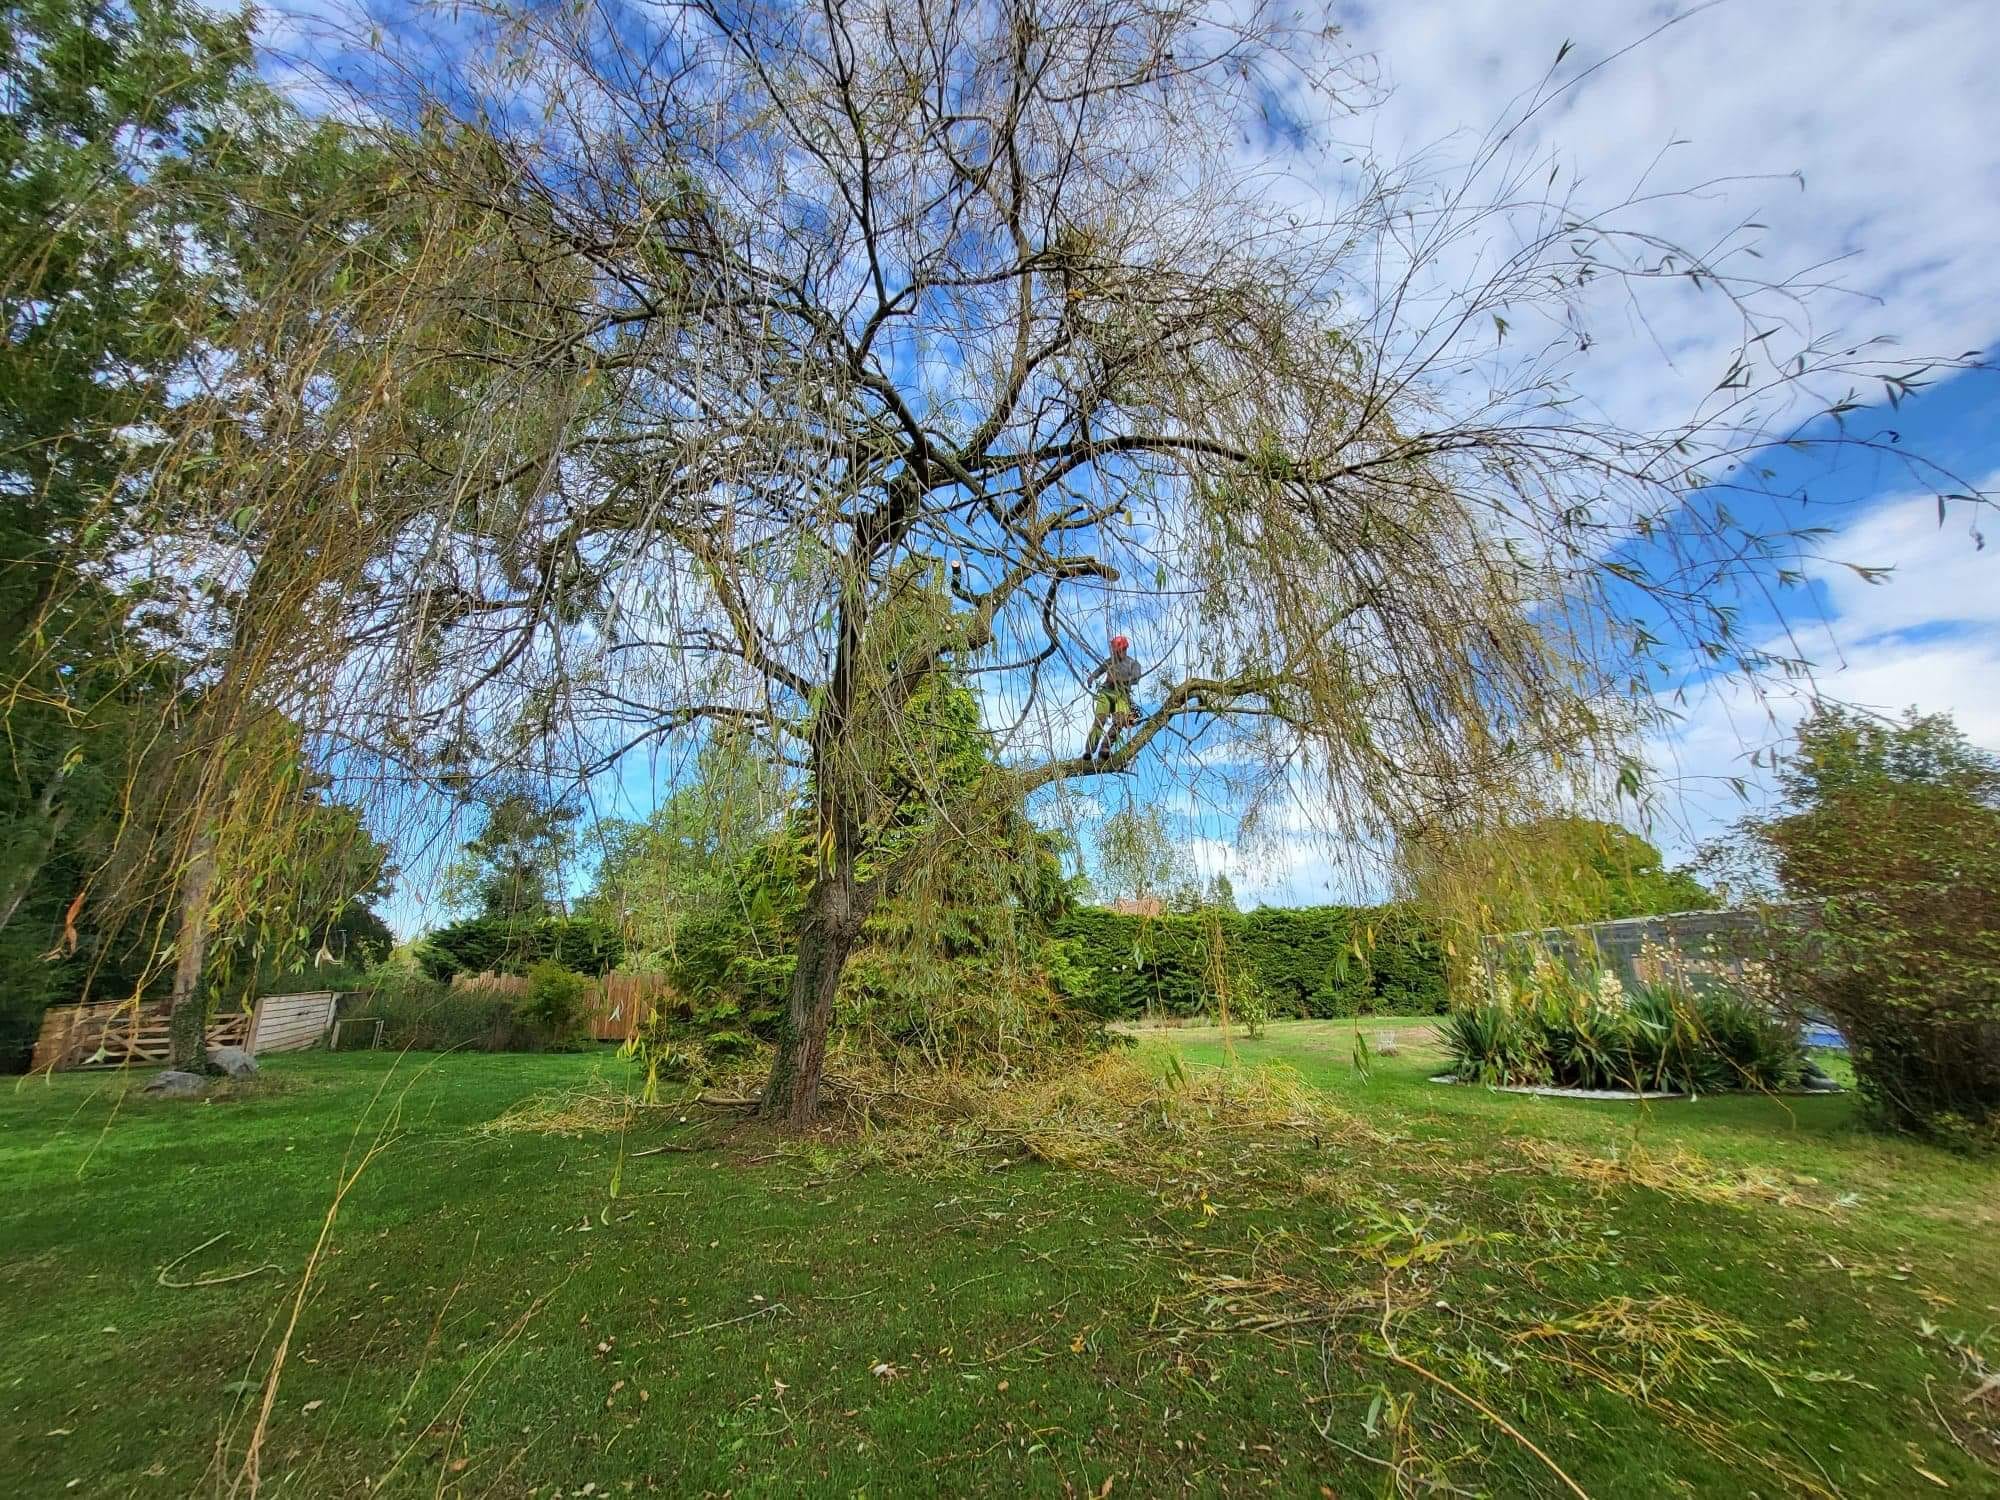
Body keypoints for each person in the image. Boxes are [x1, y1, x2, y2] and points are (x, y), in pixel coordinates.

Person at [1084, 634, 1141, 760]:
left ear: (1125, 649)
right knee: (1100, 719)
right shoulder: (1110, 661)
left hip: (1122, 695)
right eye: (1115, 651)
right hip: (1106, 692)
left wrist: (1120, 679)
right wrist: (1092, 677)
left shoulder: (1133, 664)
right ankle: (1090, 748)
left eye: (1119, 651)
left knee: (1120, 721)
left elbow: (1136, 678)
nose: (1117, 654)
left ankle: (1106, 746)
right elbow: (1100, 670)